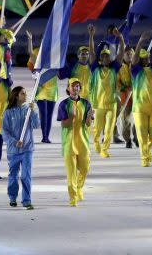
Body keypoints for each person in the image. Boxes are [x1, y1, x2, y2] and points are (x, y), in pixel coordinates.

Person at [128, 32, 152, 167]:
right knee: (142, 135)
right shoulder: (136, 70)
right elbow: (134, 59)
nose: (146, 59)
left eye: (147, 57)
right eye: (143, 58)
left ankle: (147, 149)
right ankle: (144, 157)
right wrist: (140, 41)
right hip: (139, 108)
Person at [56, 78, 93, 207]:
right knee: (71, 173)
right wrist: (71, 117)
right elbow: (64, 125)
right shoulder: (63, 104)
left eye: (78, 86)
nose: (76, 88)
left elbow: (88, 124)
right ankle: (73, 198)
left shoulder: (86, 103)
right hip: (69, 143)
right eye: (73, 86)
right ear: (68, 89)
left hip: (82, 141)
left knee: (85, 167)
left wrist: (89, 116)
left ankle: (79, 187)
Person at [2, 86, 39, 210]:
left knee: (25, 175)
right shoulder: (8, 113)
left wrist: (33, 112)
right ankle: (12, 197)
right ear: (17, 96)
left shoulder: (28, 110)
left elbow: (36, 125)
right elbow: (5, 132)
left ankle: (26, 200)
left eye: (25, 93)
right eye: (23, 93)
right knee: (13, 175)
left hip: (27, 149)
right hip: (13, 151)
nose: (25, 95)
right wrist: (14, 142)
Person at [90, 44, 123, 158]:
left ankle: (105, 149)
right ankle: (96, 142)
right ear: (100, 58)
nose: (105, 59)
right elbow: (91, 53)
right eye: (103, 57)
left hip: (111, 105)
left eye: (107, 57)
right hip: (97, 105)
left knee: (109, 129)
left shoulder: (114, 69)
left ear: (110, 59)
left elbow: (120, 55)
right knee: (97, 129)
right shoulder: (95, 69)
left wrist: (121, 40)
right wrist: (91, 36)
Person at [27, 31, 58, 143]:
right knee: (43, 113)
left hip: (53, 87)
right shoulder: (37, 52)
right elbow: (30, 54)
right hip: (41, 88)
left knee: (49, 115)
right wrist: (30, 40)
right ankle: (44, 136)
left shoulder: (55, 54)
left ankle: (46, 136)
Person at [117, 46, 138, 148]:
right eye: (127, 54)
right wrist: (124, 88)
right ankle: (128, 139)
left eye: (131, 54)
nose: (129, 56)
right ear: (123, 55)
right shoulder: (120, 67)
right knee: (126, 119)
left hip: (138, 96)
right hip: (126, 97)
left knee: (137, 119)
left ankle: (137, 138)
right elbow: (117, 82)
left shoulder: (136, 66)